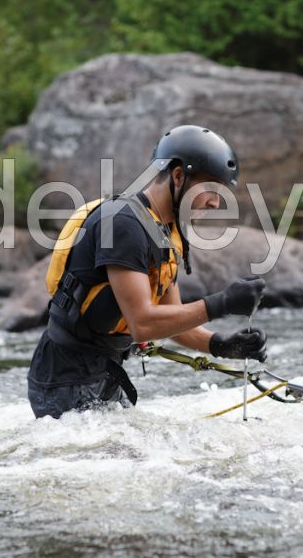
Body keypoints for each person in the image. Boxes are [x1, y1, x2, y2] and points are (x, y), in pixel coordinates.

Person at [28, 125, 268, 419]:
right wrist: (223, 303)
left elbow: (173, 319)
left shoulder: (164, 231)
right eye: (211, 189)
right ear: (178, 176)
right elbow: (143, 323)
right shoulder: (124, 225)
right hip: (63, 378)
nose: (216, 202)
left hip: (103, 370)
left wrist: (221, 345)